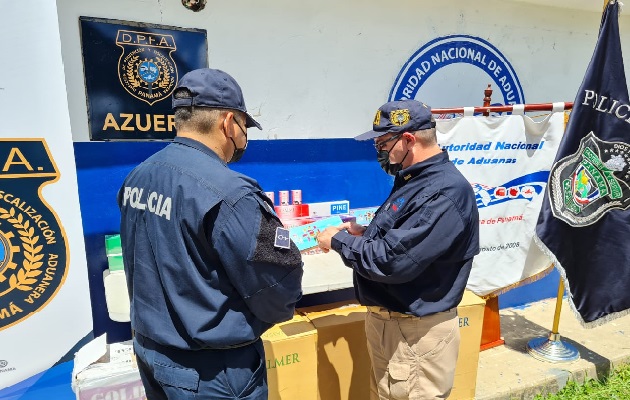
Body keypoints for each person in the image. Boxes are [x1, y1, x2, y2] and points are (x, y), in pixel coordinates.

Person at [117, 68, 303, 400]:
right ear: (229, 122)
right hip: (212, 372)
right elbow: (278, 284)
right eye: (245, 127)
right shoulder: (232, 193)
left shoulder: (139, 176)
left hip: (151, 353)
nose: (244, 137)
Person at [316, 99, 479, 400]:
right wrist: (363, 233)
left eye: (382, 143)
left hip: (415, 335)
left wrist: (338, 241)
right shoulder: (415, 180)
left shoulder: (443, 192)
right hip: (395, 328)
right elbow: (404, 240)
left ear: (408, 140)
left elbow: (393, 261)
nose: (379, 151)